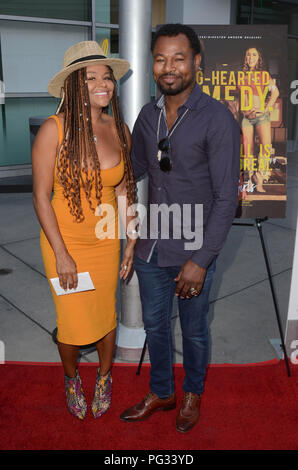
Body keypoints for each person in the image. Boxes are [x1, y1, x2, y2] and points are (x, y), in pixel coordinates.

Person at [120, 24, 240, 433]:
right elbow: (134, 168)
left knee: (193, 329)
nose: (168, 68)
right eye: (160, 58)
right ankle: (161, 391)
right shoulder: (148, 115)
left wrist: (202, 261)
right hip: (152, 247)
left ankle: (191, 393)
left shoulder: (217, 118)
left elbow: (228, 198)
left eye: (178, 58)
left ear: (196, 62)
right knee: (155, 326)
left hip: (194, 248)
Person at [32, 41, 136, 420]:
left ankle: (105, 377)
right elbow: (42, 197)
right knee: (73, 319)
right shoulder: (53, 130)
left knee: (105, 314)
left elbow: (124, 188)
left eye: (106, 76)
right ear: (73, 85)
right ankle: (72, 377)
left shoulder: (118, 127)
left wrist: (130, 239)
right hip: (64, 240)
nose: (103, 84)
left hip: (106, 240)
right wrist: (61, 253)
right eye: (91, 77)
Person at [240, 46, 279, 192]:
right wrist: (244, 111)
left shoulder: (264, 74)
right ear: (246, 58)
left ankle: (259, 177)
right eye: (248, 55)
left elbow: (275, 93)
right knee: (248, 150)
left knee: (266, 147)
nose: (251, 57)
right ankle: (250, 180)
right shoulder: (241, 76)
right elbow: (240, 98)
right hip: (246, 117)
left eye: (254, 55)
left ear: (258, 58)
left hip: (261, 116)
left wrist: (265, 108)